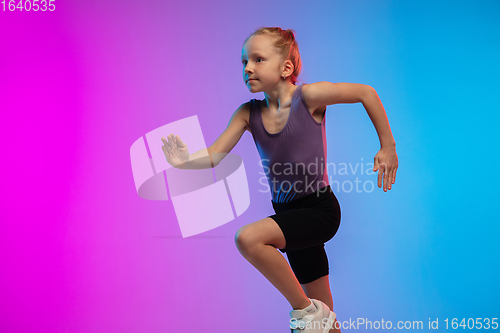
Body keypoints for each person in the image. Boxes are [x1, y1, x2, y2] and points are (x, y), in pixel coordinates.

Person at [161, 27, 398, 333]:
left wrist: (387, 146)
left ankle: (304, 313)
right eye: (244, 61)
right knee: (327, 323)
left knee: (248, 238)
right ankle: (317, 318)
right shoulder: (248, 113)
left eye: (258, 59)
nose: (248, 68)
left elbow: (366, 92)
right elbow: (214, 156)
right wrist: (183, 160)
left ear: (286, 68)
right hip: (289, 216)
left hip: (319, 211)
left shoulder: (309, 97)